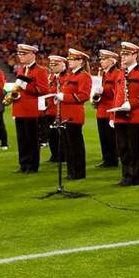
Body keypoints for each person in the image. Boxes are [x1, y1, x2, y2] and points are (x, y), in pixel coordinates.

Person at [109, 42, 139, 187]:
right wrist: (112, 116)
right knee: (122, 147)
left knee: (133, 148)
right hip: (120, 117)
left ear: (135, 55)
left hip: (135, 116)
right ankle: (126, 176)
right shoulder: (120, 73)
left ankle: (134, 177)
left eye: (126, 54)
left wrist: (132, 103)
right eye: (122, 54)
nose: (123, 57)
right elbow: (117, 95)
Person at [3, 43, 48, 174]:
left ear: (32, 55)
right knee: (21, 139)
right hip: (19, 109)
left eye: (23, 54)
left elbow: (44, 90)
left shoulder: (41, 70)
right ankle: (23, 164)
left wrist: (25, 87)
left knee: (32, 140)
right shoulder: (21, 70)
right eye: (19, 54)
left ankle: (32, 166)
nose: (20, 56)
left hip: (31, 110)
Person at [54, 49, 92, 181]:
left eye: (72, 59)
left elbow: (84, 95)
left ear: (80, 61)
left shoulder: (84, 76)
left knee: (75, 145)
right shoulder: (71, 75)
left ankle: (79, 172)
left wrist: (64, 97)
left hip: (74, 115)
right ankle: (71, 171)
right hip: (65, 114)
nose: (69, 61)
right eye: (69, 59)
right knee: (68, 145)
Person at [91, 49, 120, 168]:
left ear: (112, 61)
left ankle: (112, 160)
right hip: (101, 109)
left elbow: (117, 92)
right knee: (103, 136)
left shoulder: (117, 73)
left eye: (104, 59)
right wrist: (95, 98)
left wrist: (104, 91)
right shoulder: (103, 73)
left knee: (110, 137)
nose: (101, 62)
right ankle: (106, 158)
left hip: (110, 109)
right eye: (101, 59)